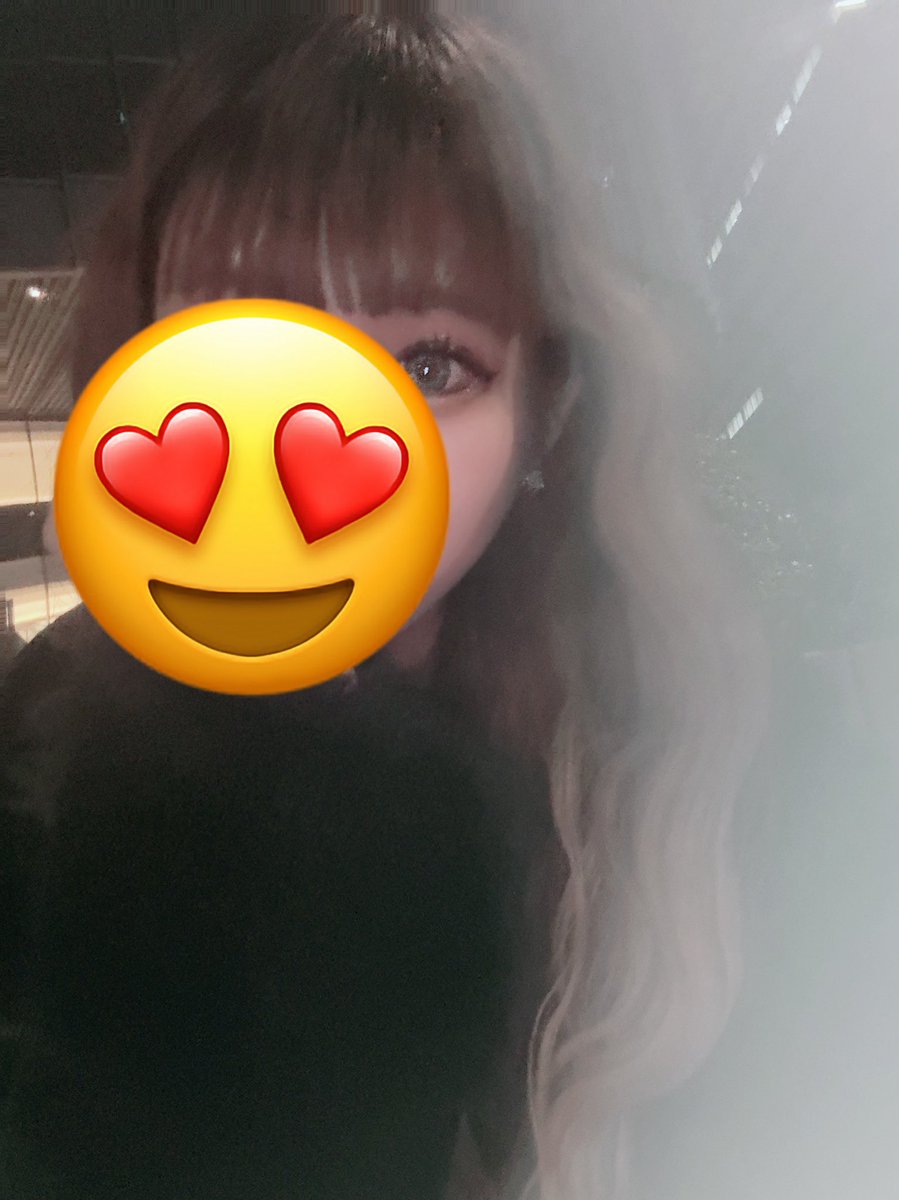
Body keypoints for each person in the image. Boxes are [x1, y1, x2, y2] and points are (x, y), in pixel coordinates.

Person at [0, 13, 768, 1200]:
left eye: (427, 367)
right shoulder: (47, 750)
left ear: (546, 415)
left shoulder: (678, 784)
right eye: (238, 342)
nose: (297, 453)